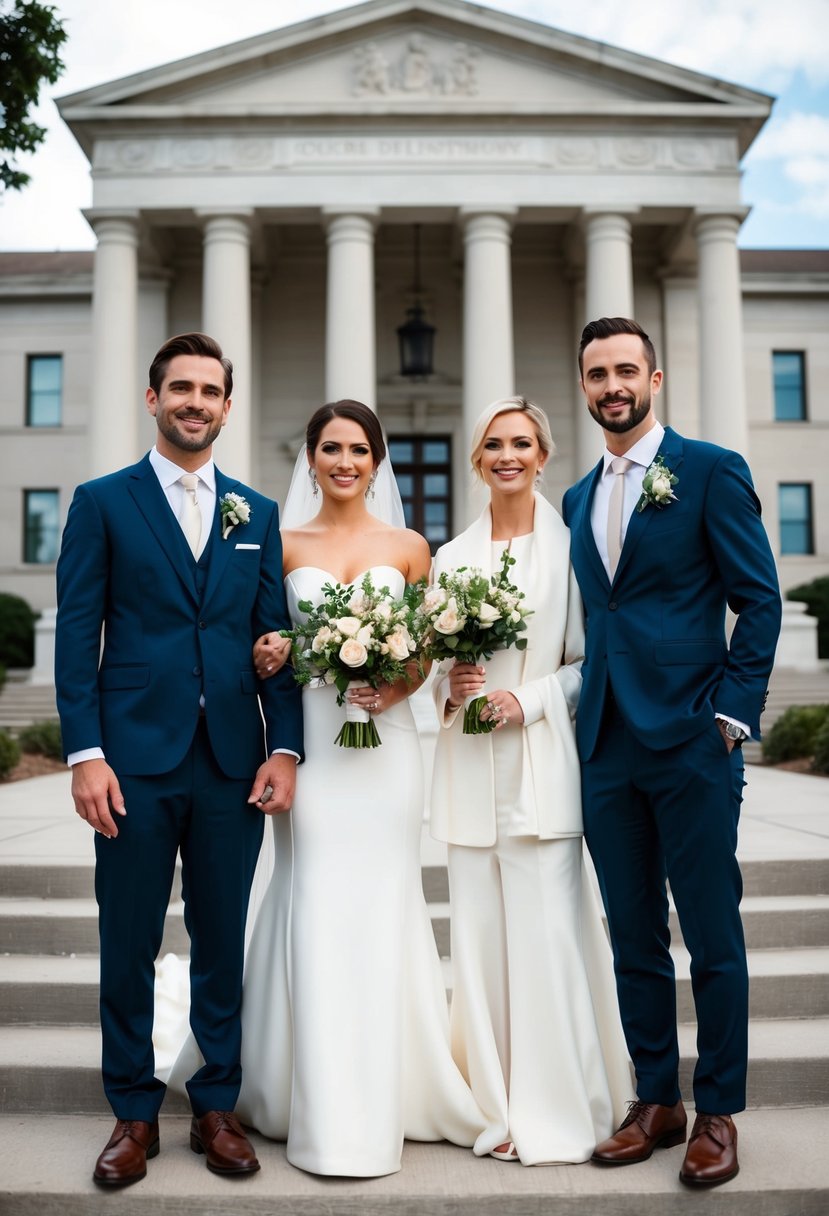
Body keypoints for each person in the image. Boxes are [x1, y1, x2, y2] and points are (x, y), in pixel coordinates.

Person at [54, 332, 303, 1187]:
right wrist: (86, 752)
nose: (196, 402)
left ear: (228, 406)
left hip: (233, 762)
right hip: (132, 761)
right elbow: (78, 634)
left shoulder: (255, 513)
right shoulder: (102, 502)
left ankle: (215, 1105)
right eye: (181, 389)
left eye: (210, 391)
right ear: (153, 398)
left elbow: (277, 642)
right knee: (127, 940)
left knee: (219, 941)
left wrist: (287, 746)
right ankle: (131, 1113)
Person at [562, 318, 782, 1187]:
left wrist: (730, 717)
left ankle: (717, 1111)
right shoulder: (578, 498)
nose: (611, 385)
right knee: (632, 935)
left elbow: (756, 600)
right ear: (582, 387)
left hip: (691, 740)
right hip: (607, 743)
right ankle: (655, 1100)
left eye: (624, 370)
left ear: (653, 378)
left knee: (710, 931)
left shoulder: (709, 470)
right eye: (595, 374)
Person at [240, 400, 485, 1176]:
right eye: (330, 448)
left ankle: (392, 1093)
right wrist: (271, 650)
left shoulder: (411, 546)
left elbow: (426, 652)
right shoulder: (277, 546)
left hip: (386, 751)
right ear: (308, 457)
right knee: (312, 895)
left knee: (383, 902)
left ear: (377, 461)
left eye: (358, 449)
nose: (344, 461)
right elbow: (254, 646)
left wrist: (393, 679)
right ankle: (308, 1098)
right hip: (311, 748)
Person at [429, 397, 634, 1166]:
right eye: (493, 444)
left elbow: (591, 660)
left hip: (545, 769)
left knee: (547, 941)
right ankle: (494, 1106)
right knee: (478, 948)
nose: (507, 454)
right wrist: (453, 689)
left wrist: (533, 697)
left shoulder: (573, 548)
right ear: (476, 459)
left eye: (521, 443)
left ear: (543, 456)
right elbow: (430, 681)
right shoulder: (450, 558)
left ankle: (557, 1105)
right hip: (467, 770)